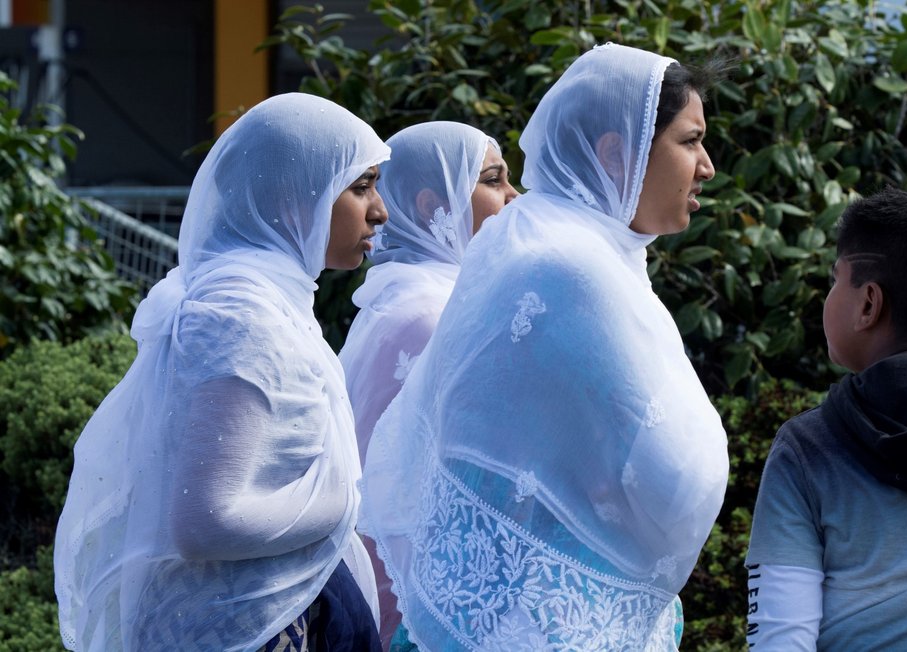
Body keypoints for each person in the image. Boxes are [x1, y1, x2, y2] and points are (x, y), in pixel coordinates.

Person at [358, 43, 729, 651]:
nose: (707, 166)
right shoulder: (571, 269)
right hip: (533, 619)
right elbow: (675, 473)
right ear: (617, 153)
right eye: (690, 141)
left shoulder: (552, 242)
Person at [54, 92, 390, 651]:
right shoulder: (243, 316)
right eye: (360, 186)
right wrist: (344, 498)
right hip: (233, 629)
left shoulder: (269, 299)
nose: (379, 210)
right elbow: (206, 522)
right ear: (294, 197)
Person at [745, 187, 907, 650]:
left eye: (836, 279)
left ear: (868, 303)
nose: (828, 296)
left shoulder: (807, 448)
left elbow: (780, 638)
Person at [339, 121, 518, 649]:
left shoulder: (421, 297)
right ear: (429, 205)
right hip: (411, 598)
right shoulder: (429, 315)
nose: (514, 196)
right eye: (493, 179)